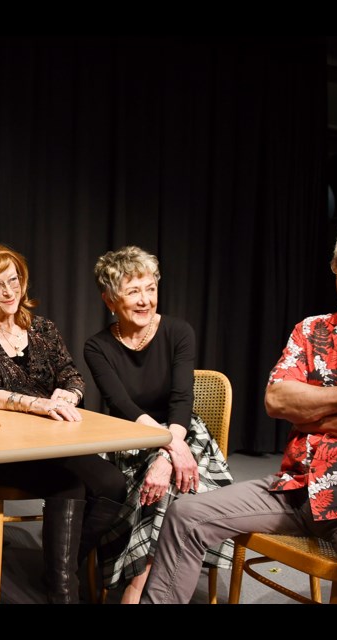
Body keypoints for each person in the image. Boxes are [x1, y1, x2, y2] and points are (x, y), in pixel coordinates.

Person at [141, 214, 337, 604]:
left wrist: (316, 416)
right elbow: (277, 400)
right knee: (185, 515)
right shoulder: (312, 330)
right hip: (296, 488)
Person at [0, 243, 128, 604]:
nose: (10, 291)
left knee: (113, 482)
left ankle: (59, 567)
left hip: (54, 445)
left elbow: (71, 374)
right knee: (69, 487)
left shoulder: (43, 329)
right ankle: (63, 593)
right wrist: (35, 404)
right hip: (2, 453)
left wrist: (69, 394)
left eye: (14, 281)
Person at [83, 246, 234, 604]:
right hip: (130, 439)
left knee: (170, 486)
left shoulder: (178, 332)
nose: (145, 299)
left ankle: (135, 590)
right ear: (110, 301)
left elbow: (182, 400)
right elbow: (122, 405)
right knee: (173, 491)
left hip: (184, 433)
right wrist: (165, 447)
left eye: (150, 288)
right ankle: (161, 588)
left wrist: (170, 452)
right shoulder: (98, 347)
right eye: (133, 291)